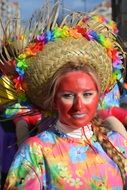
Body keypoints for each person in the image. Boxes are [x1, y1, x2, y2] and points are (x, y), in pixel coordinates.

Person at [1, 2, 127, 189]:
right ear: (53, 99)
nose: (79, 106)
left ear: (99, 96)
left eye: (87, 94)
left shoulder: (119, 143)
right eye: (68, 95)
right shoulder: (35, 152)